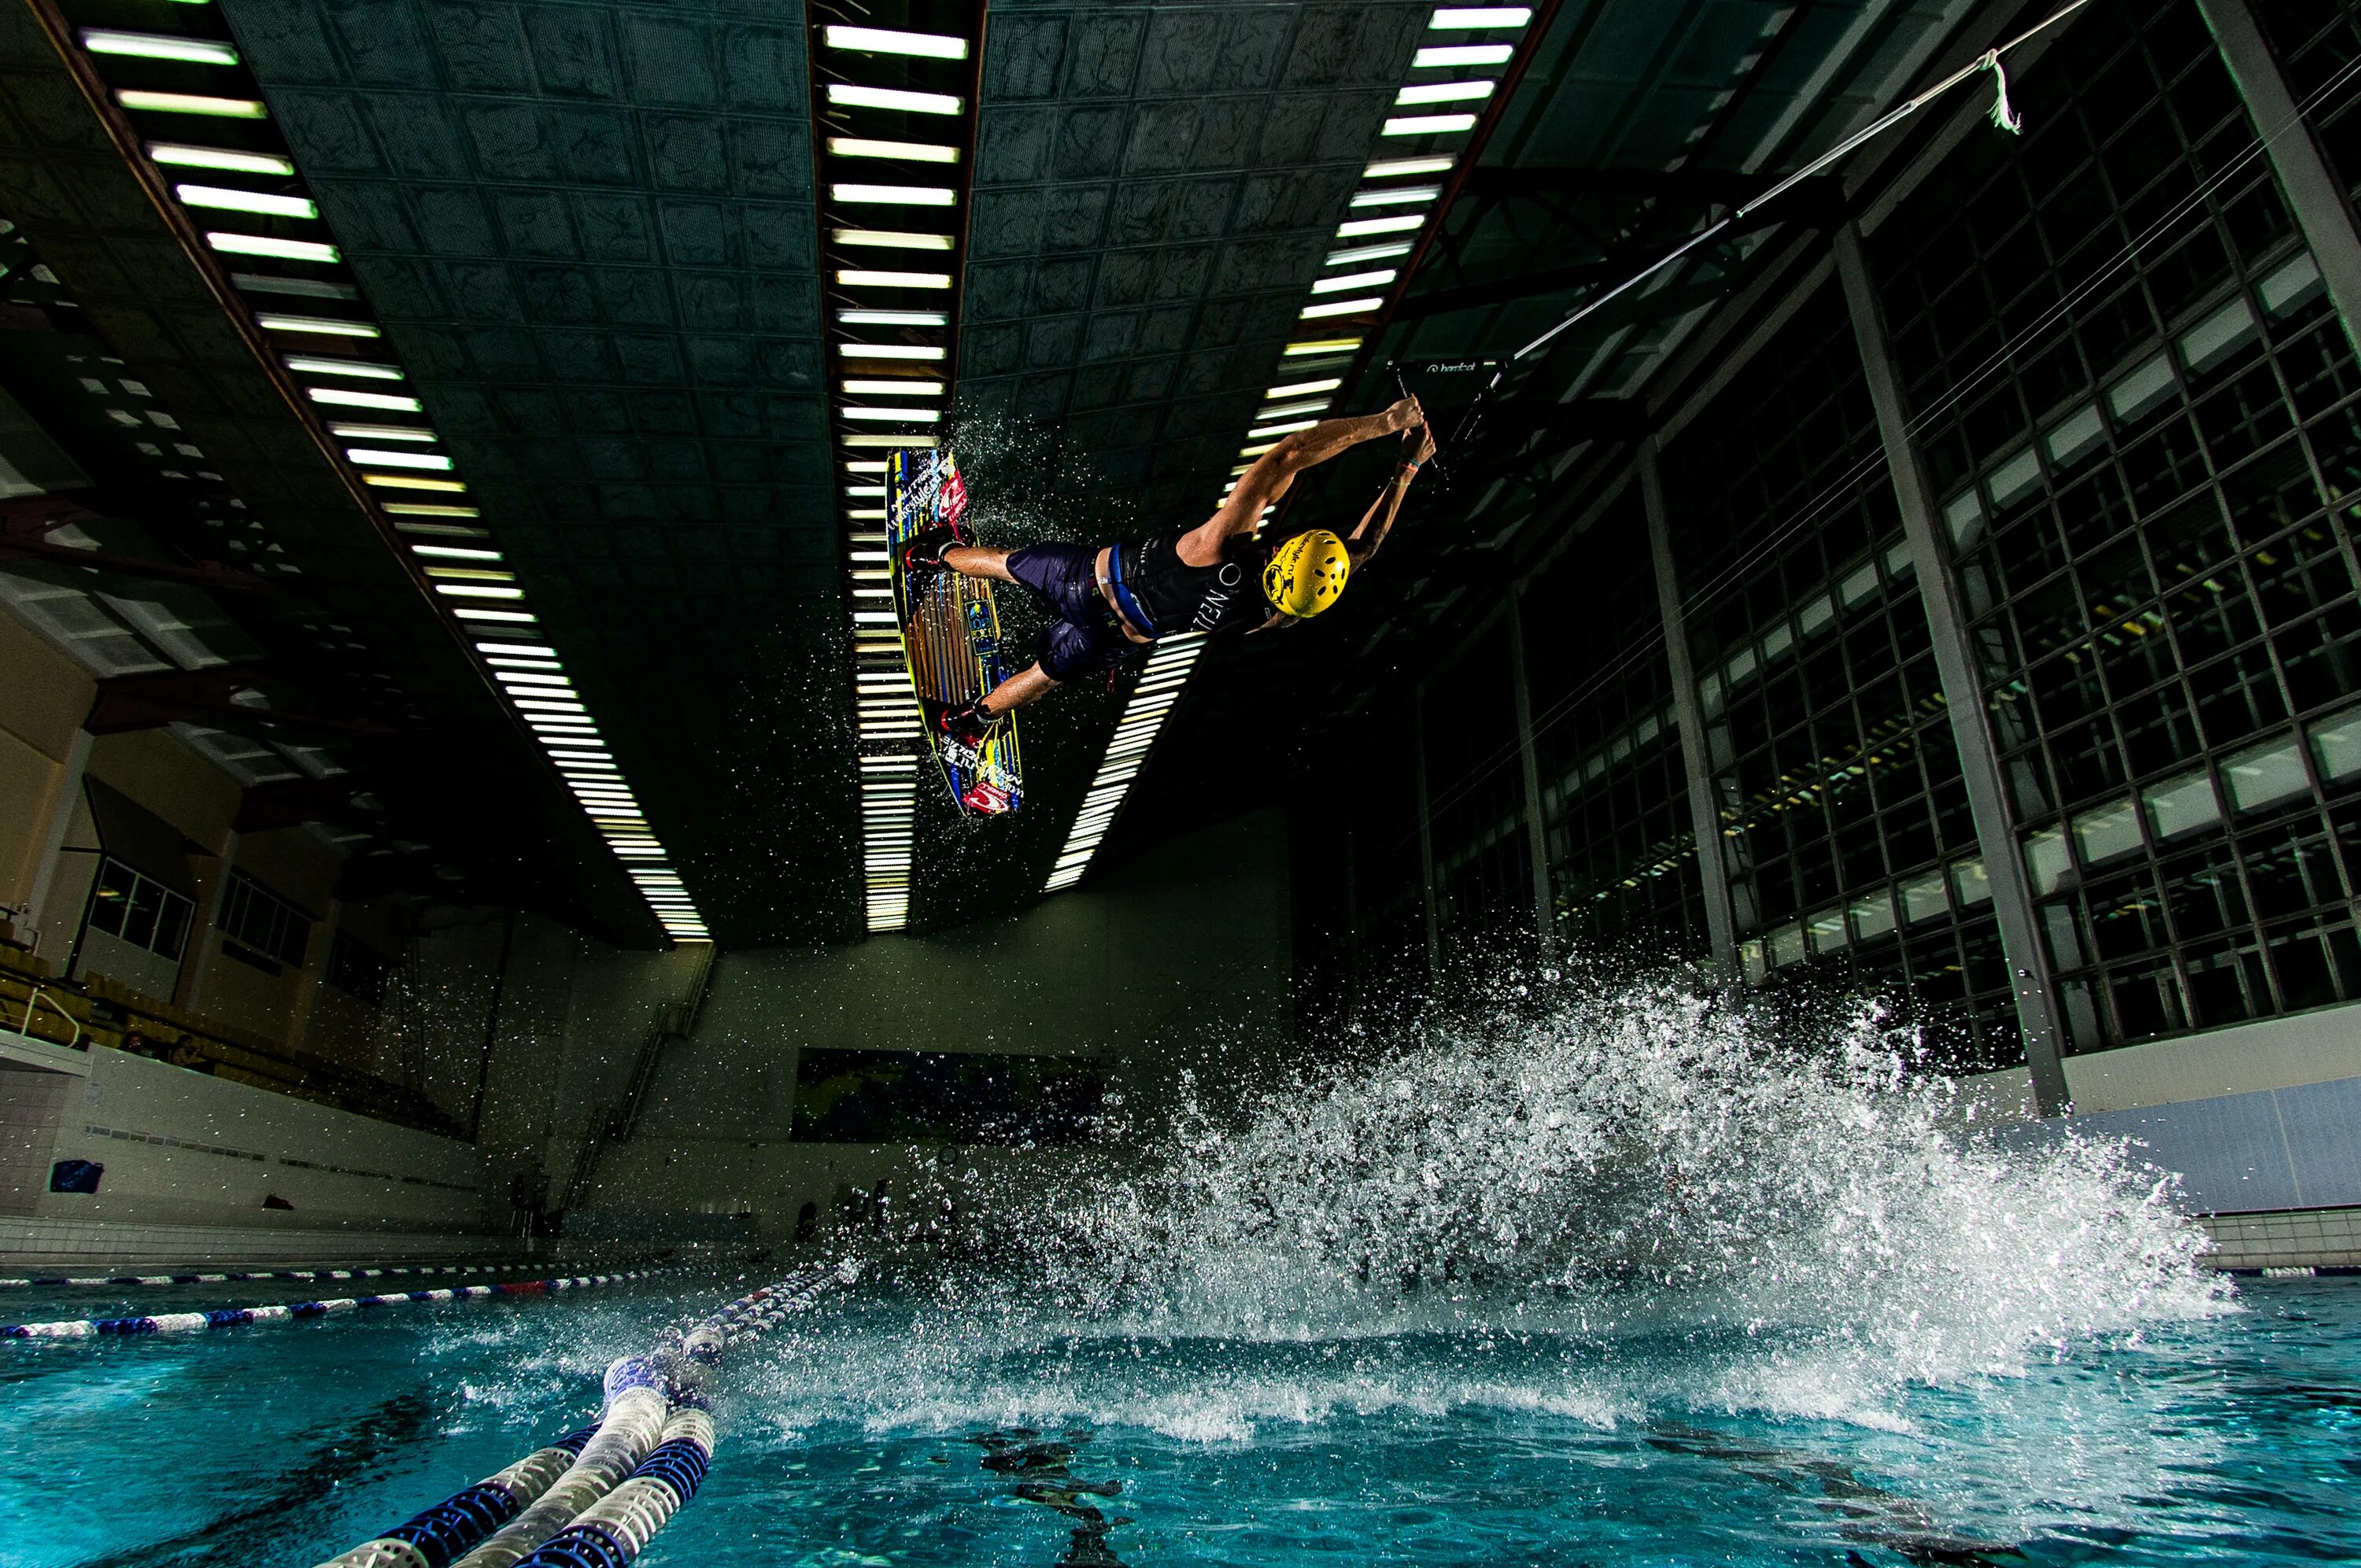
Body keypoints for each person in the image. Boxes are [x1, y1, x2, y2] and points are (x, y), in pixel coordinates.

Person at [904, 397, 1436, 744]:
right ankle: (967, 722)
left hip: (1086, 583)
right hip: (1118, 643)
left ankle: (933, 555)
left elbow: (1290, 455)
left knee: (1007, 565)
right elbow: (1361, 551)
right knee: (1044, 677)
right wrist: (1407, 474)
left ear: (1284, 553)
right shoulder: (1281, 615)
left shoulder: (1224, 543)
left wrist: (1388, 426)